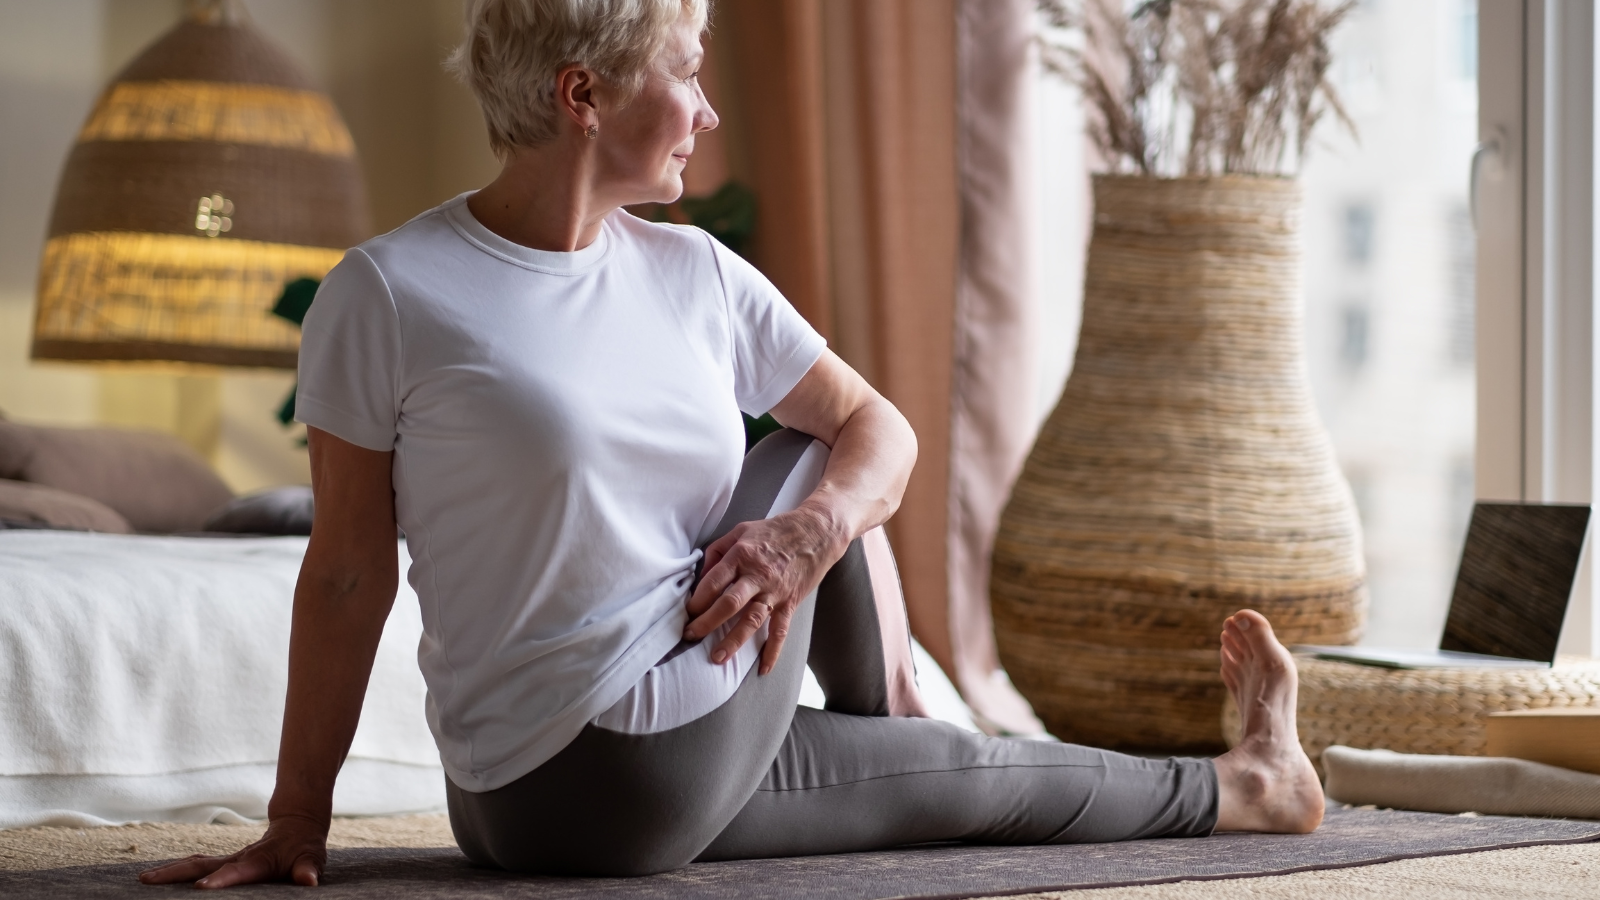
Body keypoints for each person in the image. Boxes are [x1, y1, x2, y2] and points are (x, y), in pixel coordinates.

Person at [141, 0, 1323, 887]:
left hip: (582, 793)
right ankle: (912, 717)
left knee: (949, 761)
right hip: (593, 765)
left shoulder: (692, 271)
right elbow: (346, 569)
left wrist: (803, 541)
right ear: (582, 94)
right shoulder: (393, 292)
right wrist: (298, 818)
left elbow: (889, 433)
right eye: (687, 75)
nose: (706, 112)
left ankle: (1242, 786)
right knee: (820, 464)